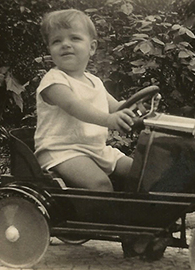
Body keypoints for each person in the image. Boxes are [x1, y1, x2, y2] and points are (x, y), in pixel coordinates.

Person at [34, 9, 136, 192]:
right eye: (57, 41)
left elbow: (116, 107)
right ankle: (105, 220)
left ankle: (145, 214)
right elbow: (75, 106)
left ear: (92, 47)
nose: (65, 44)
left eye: (74, 38)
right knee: (100, 184)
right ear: (50, 49)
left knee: (138, 170)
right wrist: (109, 120)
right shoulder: (53, 81)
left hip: (96, 149)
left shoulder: (95, 81)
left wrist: (136, 106)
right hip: (63, 150)